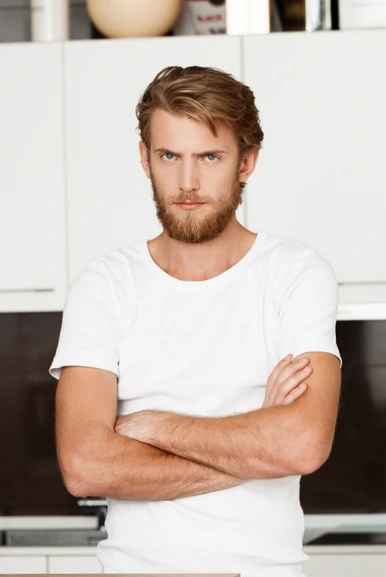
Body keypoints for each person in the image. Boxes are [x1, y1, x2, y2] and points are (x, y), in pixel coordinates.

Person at [50, 66, 341, 576]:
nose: (188, 183)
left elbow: (302, 444)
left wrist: (154, 426)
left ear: (246, 161)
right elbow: (85, 465)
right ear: (145, 158)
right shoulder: (104, 285)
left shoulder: (296, 275)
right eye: (169, 156)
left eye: (209, 157)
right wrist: (256, 442)